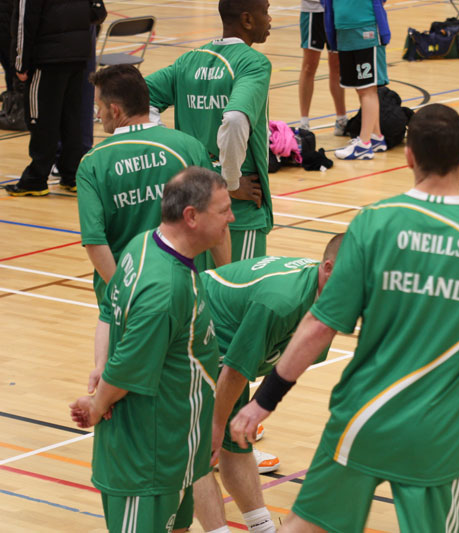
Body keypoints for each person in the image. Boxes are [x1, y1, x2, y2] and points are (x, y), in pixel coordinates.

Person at [229, 103, 459, 533]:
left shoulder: (373, 225)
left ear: (409, 156)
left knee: (307, 525)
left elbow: (319, 325)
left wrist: (263, 402)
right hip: (439, 437)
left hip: (362, 418)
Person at [69, 167, 235, 533]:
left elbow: (110, 312)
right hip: (147, 461)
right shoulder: (165, 290)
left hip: (174, 452)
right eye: (223, 210)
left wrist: (100, 364)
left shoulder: (144, 244)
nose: (231, 217)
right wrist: (97, 404)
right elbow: (129, 367)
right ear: (191, 217)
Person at [192, 236, 343, 533]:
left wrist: (248, 413)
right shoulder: (281, 302)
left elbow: (287, 367)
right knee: (198, 451)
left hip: (227, 346)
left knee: (236, 440)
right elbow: (236, 371)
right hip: (193, 333)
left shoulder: (329, 298)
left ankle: (262, 528)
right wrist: (216, 424)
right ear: (328, 268)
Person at [78, 64, 228, 304]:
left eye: (99, 107)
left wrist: (124, 294)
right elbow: (219, 220)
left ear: (115, 110)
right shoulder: (189, 147)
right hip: (189, 293)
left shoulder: (92, 163)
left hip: (128, 302)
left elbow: (95, 241)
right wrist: (225, 282)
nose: (97, 115)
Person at [146, 0, 272, 264]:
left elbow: (138, 97)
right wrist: (231, 182)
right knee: (238, 296)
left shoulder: (189, 61)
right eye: (266, 11)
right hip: (237, 213)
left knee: (204, 295)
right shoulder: (253, 63)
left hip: (192, 206)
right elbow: (236, 119)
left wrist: (171, 148)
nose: (270, 19)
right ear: (247, 20)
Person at [5, 0, 93, 196]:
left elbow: (24, 23)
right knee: (71, 117)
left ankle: (36, 179)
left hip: (47, 58)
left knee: (41, 118)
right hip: (78, 56)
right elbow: (97, 12)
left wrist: (19, 64)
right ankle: (71, 175)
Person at [322, 0, 389, 160]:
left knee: (367, 89)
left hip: (366, 27)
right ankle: (375, 136)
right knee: (361, 88)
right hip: (343, 30)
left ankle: (364, 145)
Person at [297, 0, 347, 134]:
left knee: (336, 66)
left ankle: (341, 119)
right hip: (313, 11)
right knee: (309, 66)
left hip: (336, 11)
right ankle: (304, 122)